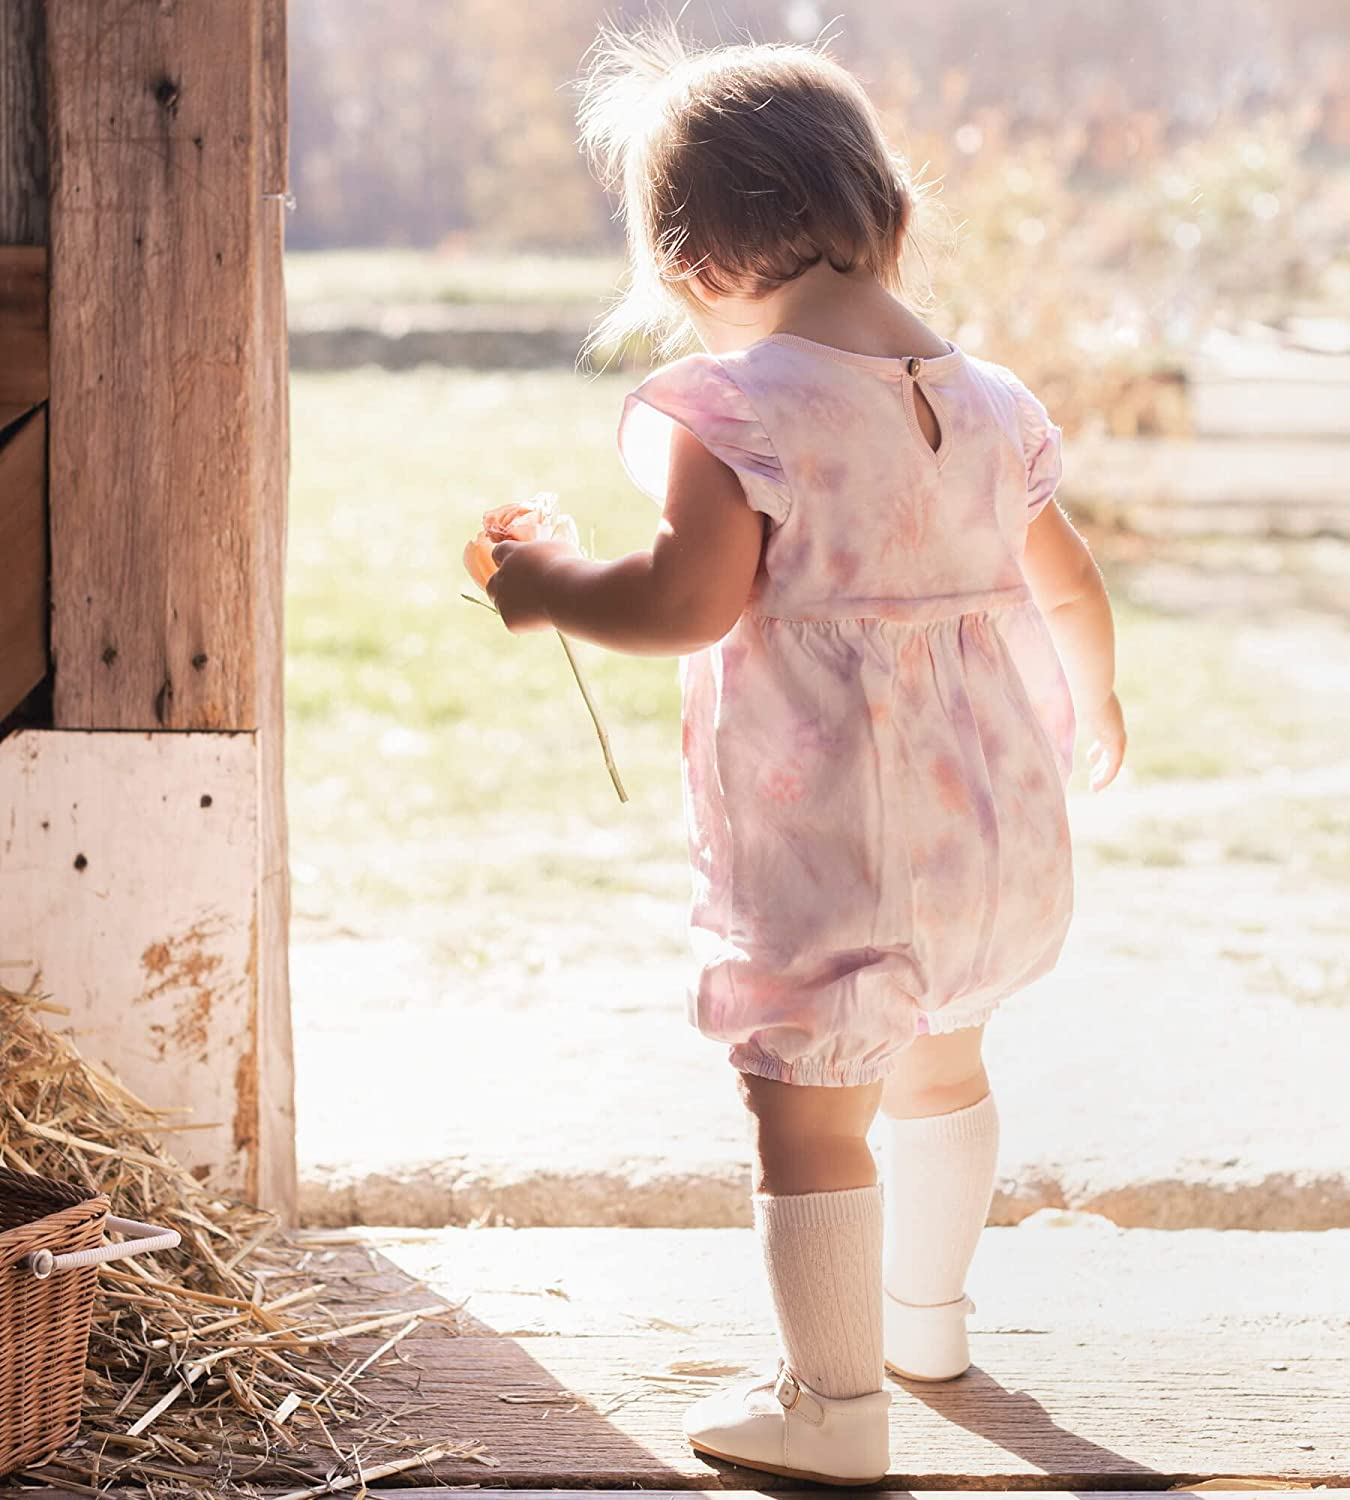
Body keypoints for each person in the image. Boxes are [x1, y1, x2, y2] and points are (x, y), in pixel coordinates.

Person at [481, 22, 1126, 1489]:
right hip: (990, 836)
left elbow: (685, 600)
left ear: (690, 255)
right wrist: (1092, 706)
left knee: (807, 1116)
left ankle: (831, 1411)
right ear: (882, 209)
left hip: (838, 838)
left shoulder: (738, 408)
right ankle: (926, 1327)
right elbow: (1069, 584)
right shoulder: (992, 399)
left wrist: (549, 589)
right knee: (942, 1065)